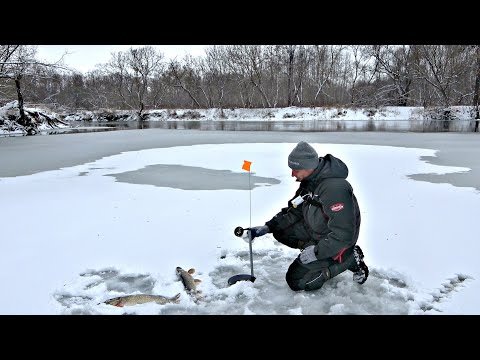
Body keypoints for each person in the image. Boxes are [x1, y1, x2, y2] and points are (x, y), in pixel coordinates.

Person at [248, 141, 369, 291]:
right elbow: (293, 210)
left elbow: (343, 234)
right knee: (280, 231)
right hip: (317, 232)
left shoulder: (334, 189)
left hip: (338, 242)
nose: (292, 174)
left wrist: (316, 253)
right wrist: (268, 227)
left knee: (297, 281)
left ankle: (349, 259)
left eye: (295, 169)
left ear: (308, 167)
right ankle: (314, 253)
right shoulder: (309, 182)